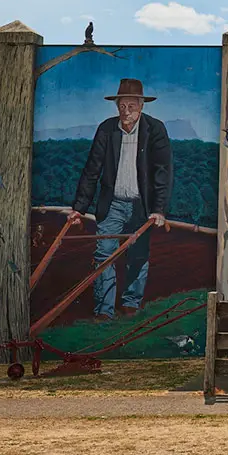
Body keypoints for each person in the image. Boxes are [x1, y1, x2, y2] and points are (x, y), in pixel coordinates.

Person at [67, 79, 173, 320]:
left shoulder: (155, 130)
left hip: (141, 205)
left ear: (141, 106)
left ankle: (130, 305)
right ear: (117, 106)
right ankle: (104, 312)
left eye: (131, 106)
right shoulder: (106, 130)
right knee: (105, 254)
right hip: (112, 203)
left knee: (137, 255)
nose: (126, 111)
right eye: (122, 106)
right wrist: (79, 209)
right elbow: (92, 170)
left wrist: (159, 209)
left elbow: (162, 172)